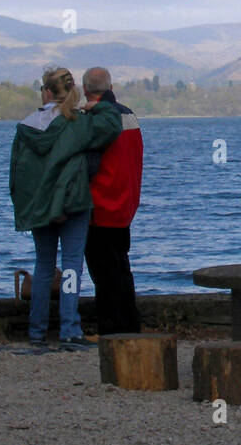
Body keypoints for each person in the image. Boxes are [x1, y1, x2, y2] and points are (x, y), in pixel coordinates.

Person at [10, 67, 120, 347]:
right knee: (71, 266)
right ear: (73, 92)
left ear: (46, 91)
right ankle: (70, 330)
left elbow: (17, 173)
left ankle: (37, 332)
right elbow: (112, 123)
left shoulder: (25, 127)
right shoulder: (78, 123)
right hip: (72, 202)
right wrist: (96, 106)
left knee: (43, 267)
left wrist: (24, 205)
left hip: (39, 207)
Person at [81, 66, 144, 335]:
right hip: (126, 205)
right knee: (121, 268)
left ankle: (111, 330)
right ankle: (130, 324)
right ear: (110, 87)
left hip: (100, 206)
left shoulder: (93, 118)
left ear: (85, 90)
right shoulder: (130, 115)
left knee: (104, 275)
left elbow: (88, 161)